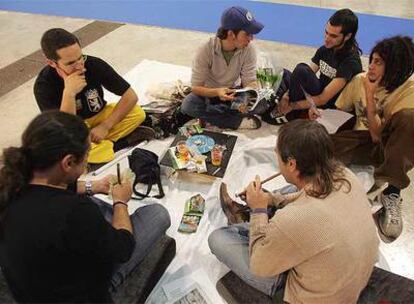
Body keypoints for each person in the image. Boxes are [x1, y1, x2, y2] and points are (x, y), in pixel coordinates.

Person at [0, 111, 171, 302]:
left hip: (33, 286)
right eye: (86, 156)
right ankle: (115, 283)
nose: (87, 165)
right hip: (83, 293)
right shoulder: (74, 211)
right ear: (68, 162)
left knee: (91, 201)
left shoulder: (12, 183)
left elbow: (66, 190)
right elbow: (123, 248)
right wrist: (120, 201)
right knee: (157, 214)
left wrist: (94, 186)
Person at [209, 120, 379, 303]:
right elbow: (307, 196)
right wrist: (271, 199)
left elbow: (259, 265)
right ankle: (256, 218)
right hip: (350, 273)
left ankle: (247, 220)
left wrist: (258, 210)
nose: (275, 155)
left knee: (218, 239)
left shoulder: (293, 218)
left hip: (319, 295)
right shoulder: (345, 175)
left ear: (291, 164)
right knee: (291, 191)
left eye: (277, 153)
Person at [325, 36, 414, 242]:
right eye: (371, 60)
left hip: (387, 146)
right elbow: (339, 112)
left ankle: (392, 191)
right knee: (314, 142)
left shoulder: (408, 92)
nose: (371, 66)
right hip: (360, 140)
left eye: (378, 62)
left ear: (395, 66)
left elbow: (377, 137)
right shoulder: (360, 79)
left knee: (410, 120)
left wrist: (371, 96)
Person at [34, 28, 155, 165]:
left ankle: (98, 146)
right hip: (75, 128)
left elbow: (130, 96)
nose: (80, 66)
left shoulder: (93, 64)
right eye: (70, 63)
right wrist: (69, 93)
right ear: (51, 63)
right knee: (64, 149)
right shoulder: (44, 86)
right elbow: (64, 129)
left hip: (99, 116)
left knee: (137, 113)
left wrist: (105, 126)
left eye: (80, 57)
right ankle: (118, 144)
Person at [180, 6, 264, 130]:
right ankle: (235, 121)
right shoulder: (206, 49)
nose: (251, 38)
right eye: (247, 34)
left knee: (263, 103)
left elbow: (249, 82)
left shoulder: (249, 49)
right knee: (188, 105)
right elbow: (196, 87)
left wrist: (250, 95)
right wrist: (217, 92)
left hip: (233, 92)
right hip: (209, 93)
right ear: (231, 34)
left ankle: (215, 116)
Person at [273, 8, 362, 123]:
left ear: (347, 36)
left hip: (331, 104)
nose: (327, 39)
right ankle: (290, 109)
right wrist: (286, 96)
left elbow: (323, 99)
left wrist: (292, 105)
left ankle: (291, 114)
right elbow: (308, 73)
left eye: (333, 36)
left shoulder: (350, 62)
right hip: (318, 91)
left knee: (300, 70)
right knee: (285, 74)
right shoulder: (326, 49)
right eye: (326, 32)